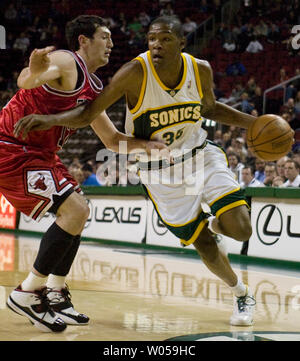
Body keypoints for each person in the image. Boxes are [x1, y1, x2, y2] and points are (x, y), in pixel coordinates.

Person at [14, 15, 258, 326]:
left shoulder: (200, 69)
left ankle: (216, 224)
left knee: (241, 229)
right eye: (152, 39)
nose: (157, 45)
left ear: (182, 43)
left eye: (166, 39)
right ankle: (240, 292)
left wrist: (255, 123)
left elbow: (209, 108)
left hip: (200, 156)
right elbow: (89, 112)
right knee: (204, 245)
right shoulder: (133, 72)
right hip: (158, 171)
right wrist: (50, 119)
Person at [1, 15, 168, 333]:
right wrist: (34, 71)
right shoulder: (66, 61)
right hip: (11, 147)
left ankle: (55, 291)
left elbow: (112, 140)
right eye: (104, 36)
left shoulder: (94, 87)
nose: (111, 44)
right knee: (75, 210)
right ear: (83, 41)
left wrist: (148, 145)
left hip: (40, 154)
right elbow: (27, 80)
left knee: (78, 211)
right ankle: (28, 292)